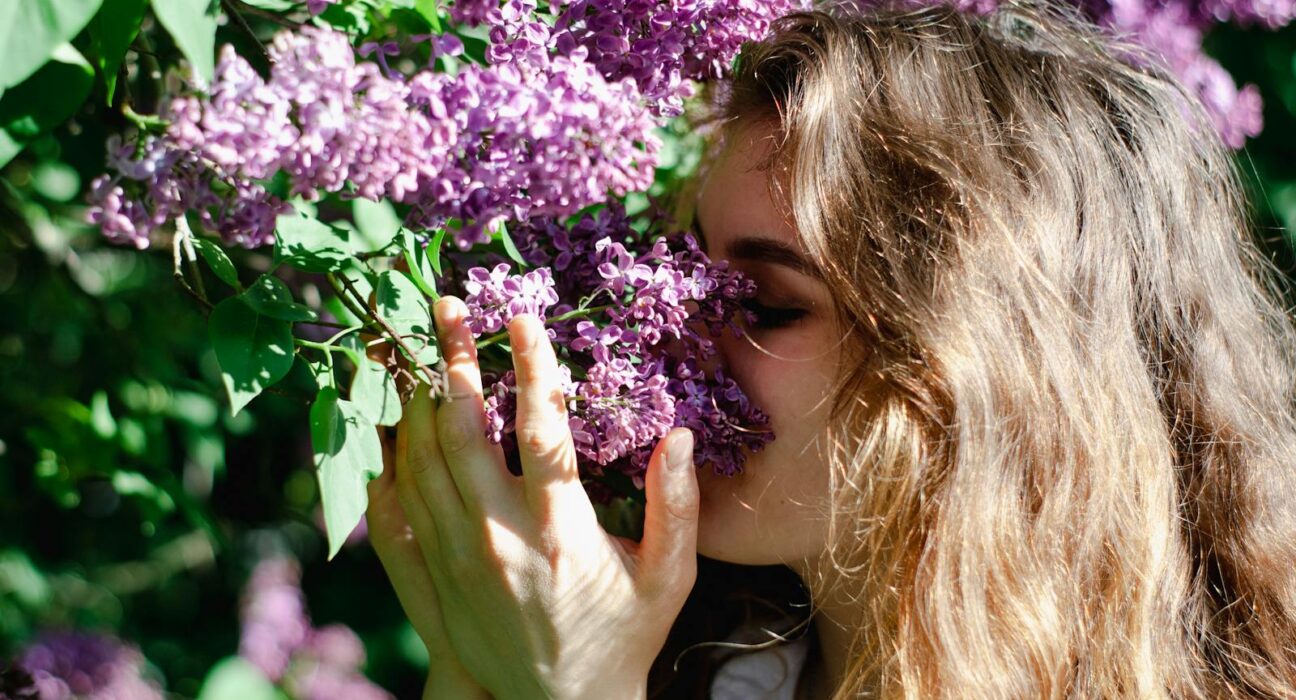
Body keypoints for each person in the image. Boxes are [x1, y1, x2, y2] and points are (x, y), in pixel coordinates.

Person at [364, 0, 1296, 697]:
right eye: (679, 276)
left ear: (976, 368)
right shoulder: (726, 673)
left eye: (762, 303)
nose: (670, 348)